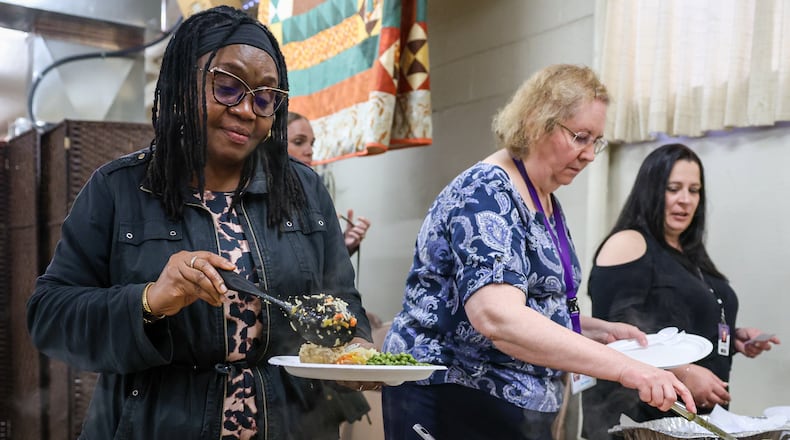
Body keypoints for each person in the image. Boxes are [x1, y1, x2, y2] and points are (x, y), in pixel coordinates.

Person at [26, 6, 376, 439]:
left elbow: (342, 300)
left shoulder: (303, 189)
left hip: (292, 425)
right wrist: (151, 300)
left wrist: (356, 346)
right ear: (181, 85)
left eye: (266, 97)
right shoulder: (118, 189)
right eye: (228, 86)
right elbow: (50, 317)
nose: (248, 109)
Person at [380, 64, 696, 440]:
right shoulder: (486, 193)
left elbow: (529, 301)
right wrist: (625, 368)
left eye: (595, 141)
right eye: (580, 137)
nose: (589, 154)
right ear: (535, 123)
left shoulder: (544, 199)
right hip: (453, 395)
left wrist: (594, 331)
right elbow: (498, 317)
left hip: (514, 404)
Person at [581, 143, 780, 439]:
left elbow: (676, 320)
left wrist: (732, 336)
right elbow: (617, 338)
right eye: (674, 188)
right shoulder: (629, 242)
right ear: (651, 190)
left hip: (691, 422)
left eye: (694, 190)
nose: (685, 200)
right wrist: (682, 371)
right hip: (640, 421)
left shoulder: (689, 252)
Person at [286, 111, 371, 255]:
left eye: (311, 143)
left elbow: (317, 266)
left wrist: (343, 245)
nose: (310, 151)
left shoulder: (314, 194)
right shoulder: (257, 195)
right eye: (298, 142)